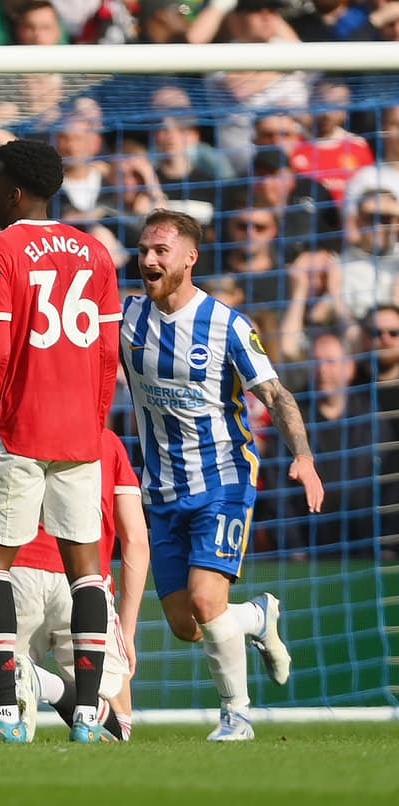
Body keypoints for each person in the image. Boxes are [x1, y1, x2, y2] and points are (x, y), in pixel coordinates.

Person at [0, 138, 122, 744]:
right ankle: (90, 717)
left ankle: (4, 713)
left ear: (14, 189)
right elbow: (108, 353)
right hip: (79, 433)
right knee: (87, 570)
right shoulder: (96, 252)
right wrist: (94, 424)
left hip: (17, 427)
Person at [123, 209, 324, 741]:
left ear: (190, 258)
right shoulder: (125, 319)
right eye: (144, 249)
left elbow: (275, 396)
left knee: (208, 602)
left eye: (161, 250)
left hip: (224, 479)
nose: (148, 259)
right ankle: (258, 616)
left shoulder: (226, 324)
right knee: (187, 625)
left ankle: (237, 715)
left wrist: (301, 455)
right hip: (161, 488)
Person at [0, 429, 148, 743]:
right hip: (83, 586)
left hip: (8, 583)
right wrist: (126, 630)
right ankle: (48, 687)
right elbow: (136, 540)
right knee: (117, 731)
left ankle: (33, 682)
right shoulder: (105, 441)